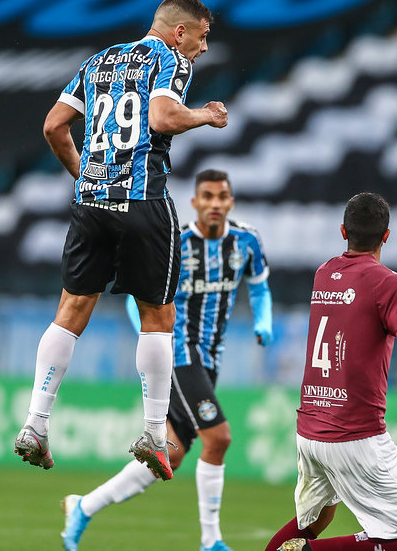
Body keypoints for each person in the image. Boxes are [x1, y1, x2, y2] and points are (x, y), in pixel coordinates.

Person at [15, 0, 228, 481]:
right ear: (180, 32)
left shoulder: (100, 59)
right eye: (202, 35)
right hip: (141, 201)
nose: (203, 48)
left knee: (69, 311)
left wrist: (83, 175)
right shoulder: (169, 59)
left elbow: (53, 126)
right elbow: (162, 118)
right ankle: (155, 432)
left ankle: (35, 424)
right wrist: (206, 116)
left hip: (91, 201)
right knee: (159, 315)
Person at [61, 169, 273, 551]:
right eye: (206, 196)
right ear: (194, 203)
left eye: (221, 196)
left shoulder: (247, 241)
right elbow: (136, 300)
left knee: (170, 456)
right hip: (178, 356)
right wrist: (152, 343)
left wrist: (264, 320)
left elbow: (259, 287)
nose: (214, 203)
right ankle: (211, 541)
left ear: (230, 202)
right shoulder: (178, 242)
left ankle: (83, 506)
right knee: (219, 437)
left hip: (209, 360)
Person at [267, 192, 397, 551]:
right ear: (387, 235)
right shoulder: (390, 283)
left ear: (343, 231)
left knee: (315, 519)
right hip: (355, 436)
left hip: (311, 429)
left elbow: (358, 315)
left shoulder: (324, 273)